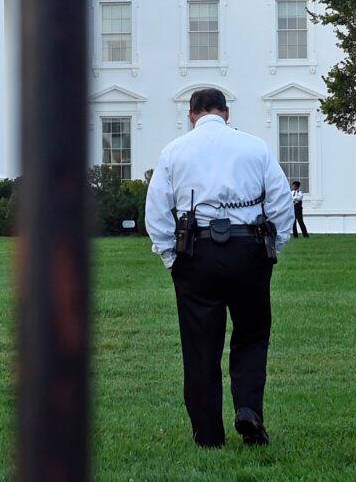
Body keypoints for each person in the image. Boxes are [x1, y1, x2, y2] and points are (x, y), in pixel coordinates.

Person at [145, 88, 293, 448]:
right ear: (226, 113)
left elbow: (157, 211)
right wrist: (273, 248)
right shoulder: (255, 147)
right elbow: (280, 200)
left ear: (191, 115)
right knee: (252, 335)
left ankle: (208, 434)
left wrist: (170, 258)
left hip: (197, 252)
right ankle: (248, 409)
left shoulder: (174, 151)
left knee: (200, 346)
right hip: (249, 249)